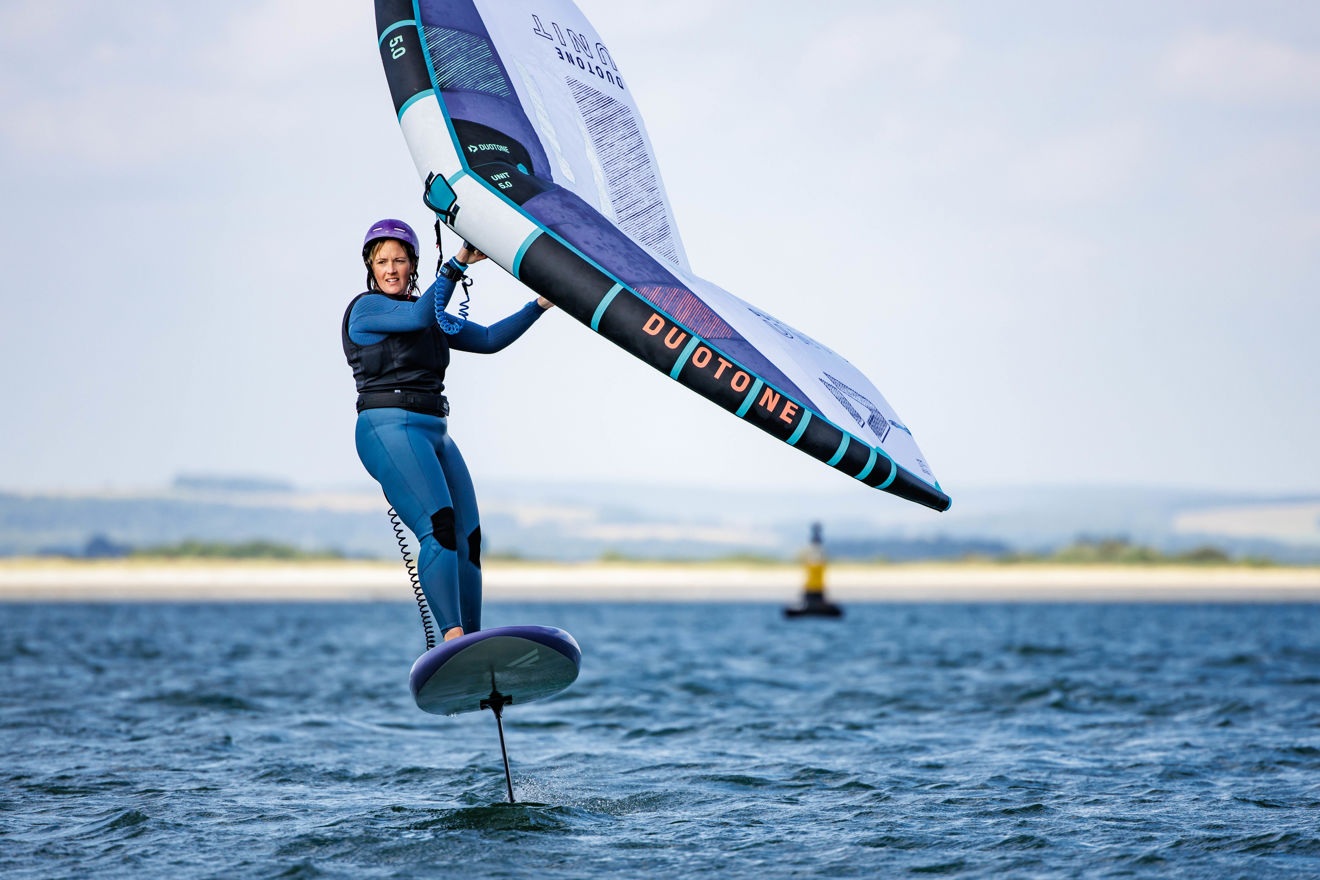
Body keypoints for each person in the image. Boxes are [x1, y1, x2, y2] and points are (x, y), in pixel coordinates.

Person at [343, 218, 552, 643]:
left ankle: (473, 643)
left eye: (399, 260)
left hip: (435, 431)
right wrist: (458, 261)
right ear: (370, 265)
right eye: (382, 261)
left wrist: (540, 305)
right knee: (437, 527)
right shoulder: (366, 309)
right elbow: (420, 316)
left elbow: (490, 338)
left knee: (468, 537)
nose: (391, 269)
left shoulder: (429, 312)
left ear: (413, 264)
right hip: (388, 427)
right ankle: (453, 638)